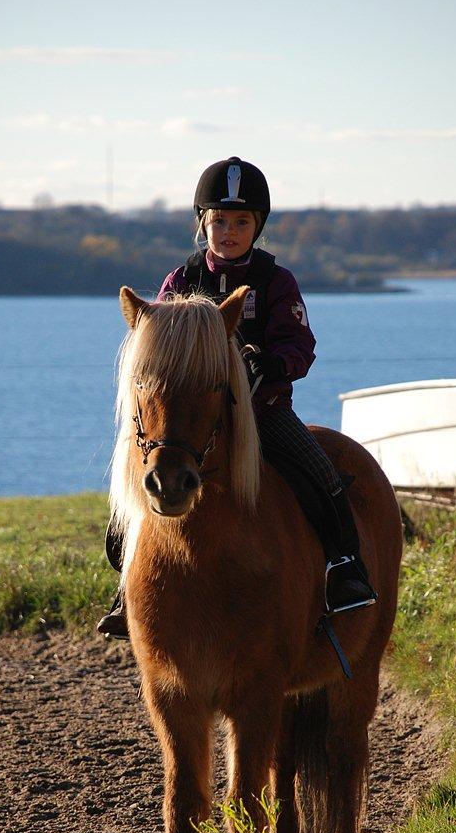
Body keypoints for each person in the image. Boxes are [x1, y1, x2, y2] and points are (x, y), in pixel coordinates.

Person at [98, 156, 376, 639]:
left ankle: (344, 572)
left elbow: (300, 346)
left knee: (323, 477)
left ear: (258, 226)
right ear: (202, 223)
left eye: (241, 222)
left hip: (263, 412)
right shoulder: (180, 282)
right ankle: (129, 592)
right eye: (219, 220)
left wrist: (270, 364)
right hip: (193, 420)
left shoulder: (276, 281)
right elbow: (156, 340)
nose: (228, 231)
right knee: (136, 485)